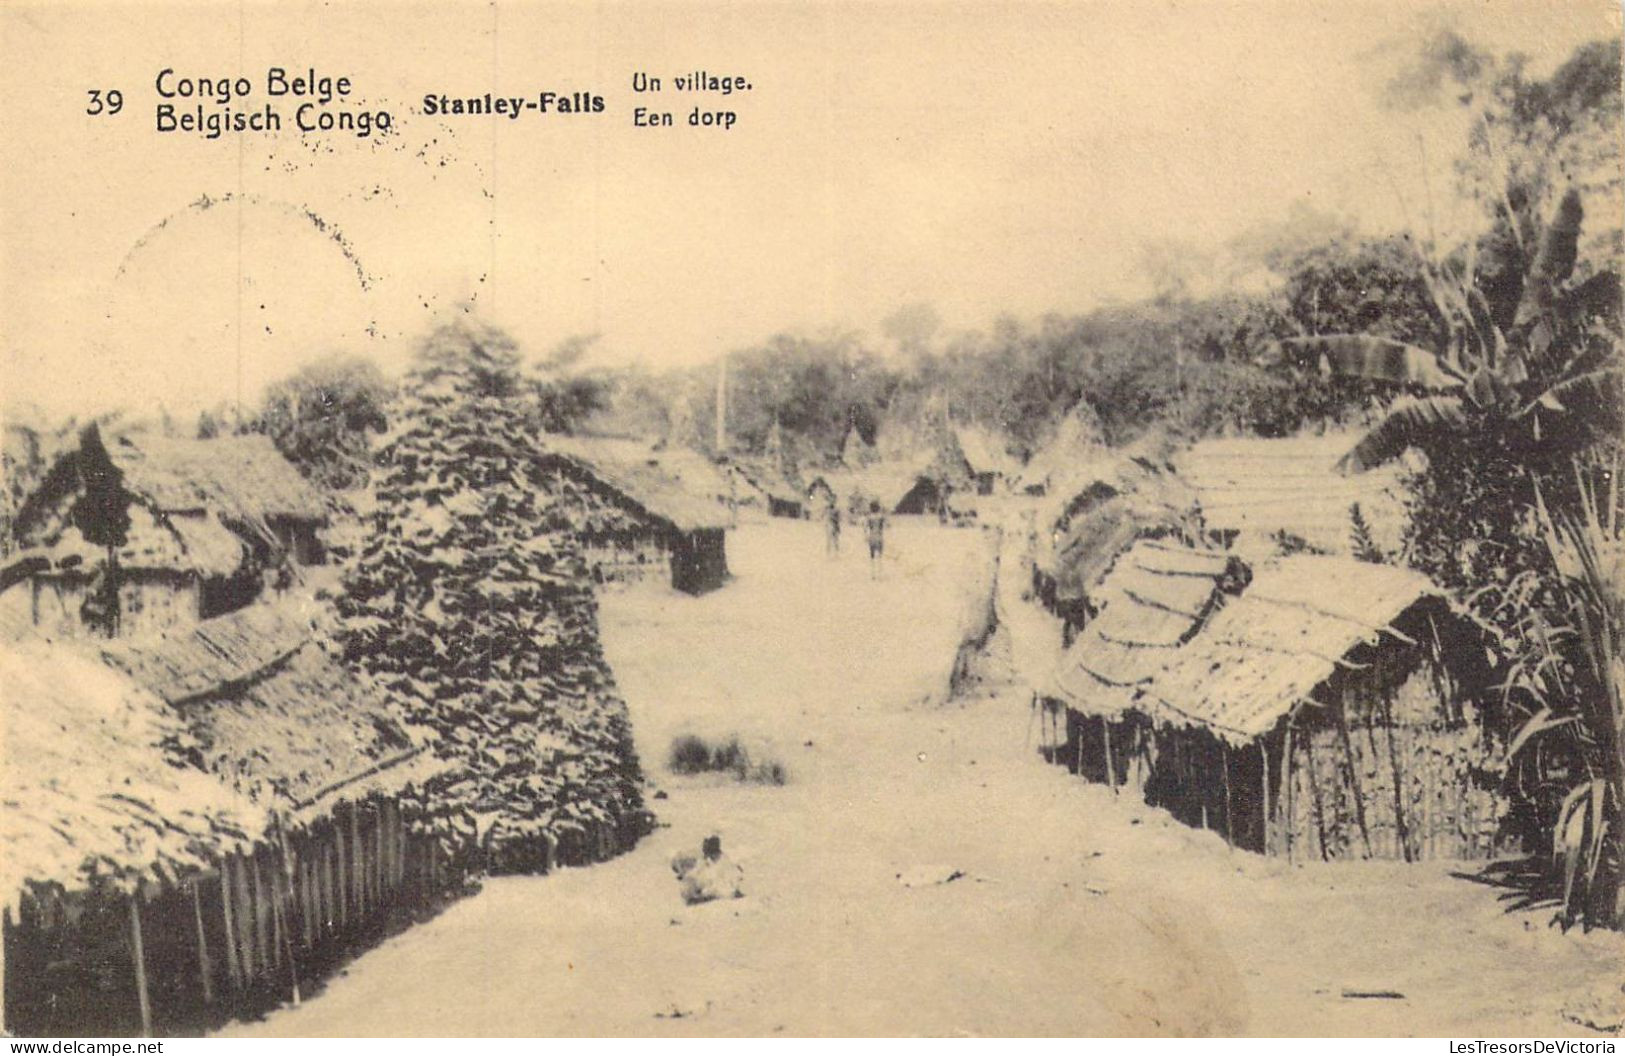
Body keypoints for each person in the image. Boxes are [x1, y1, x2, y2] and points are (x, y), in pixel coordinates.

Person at [864, 501, 887, 578]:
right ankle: (880, 574)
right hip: (879, 537)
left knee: (872, 556)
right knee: (880, 556)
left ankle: (873, 574)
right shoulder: (881, 517)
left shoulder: (869, 517)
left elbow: (865, 528)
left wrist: (866, 537)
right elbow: (887, 525)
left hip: (872, 537)